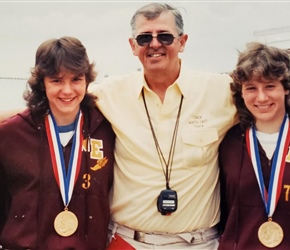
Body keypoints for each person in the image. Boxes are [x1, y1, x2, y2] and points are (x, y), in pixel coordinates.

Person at [89, 3, 237, 249]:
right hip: (128, 242)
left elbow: (271, 102)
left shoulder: (220, 91)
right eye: (145, 37)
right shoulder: (110, 92)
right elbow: (58, 103)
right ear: (133, 45)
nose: (154, 44)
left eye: (165, 36)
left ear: (182, 41)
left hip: (198, 243)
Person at [0, 36, 115, 249]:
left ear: (87, 81)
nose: (68, 90)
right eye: (56, 80)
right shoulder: (11, 135)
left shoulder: (108, 130)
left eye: (76, 79)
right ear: (42, 83)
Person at [218, 42, 290, 249]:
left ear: (285, 88)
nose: (261, 97)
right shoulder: (227, 142)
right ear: (241, 92)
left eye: (269, 86)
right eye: (251, 88)